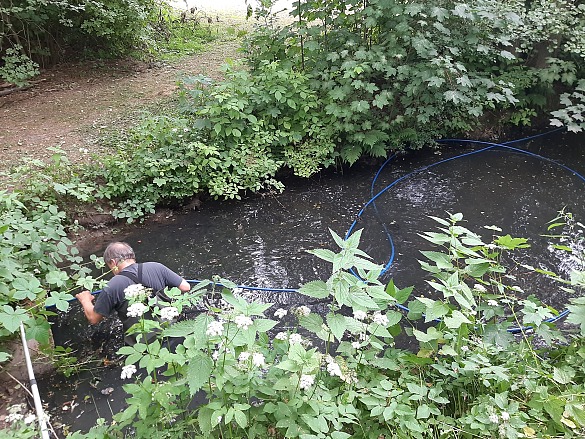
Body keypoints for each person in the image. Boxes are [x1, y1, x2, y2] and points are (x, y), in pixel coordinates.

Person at [76, 241, 191, 345]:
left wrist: (85, 300)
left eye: (109, 266)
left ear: (113, 262)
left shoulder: (112, 285)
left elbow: (94, 318)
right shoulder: (157, 267)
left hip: (146, 346)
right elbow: (185, 287)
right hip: (175, 333)